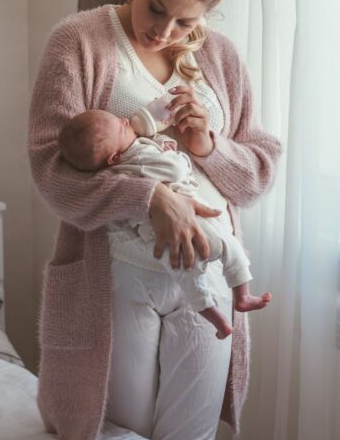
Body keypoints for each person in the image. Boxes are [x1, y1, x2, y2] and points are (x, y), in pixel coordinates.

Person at [28, 0, 281, 440]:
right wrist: (149, 198)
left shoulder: (222, 58)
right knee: (126, 439)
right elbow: (51, 171)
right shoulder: (79, 42)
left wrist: (209, 147)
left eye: (186, 23)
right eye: (156, 8)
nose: (164, 32)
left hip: (206, 275)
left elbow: (258, 172)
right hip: (117, 278)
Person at [57, 108, 272, 339]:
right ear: (114, 157)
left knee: (190, 279)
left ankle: (214, 317)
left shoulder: (119, 168)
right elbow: (175, 169)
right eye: (121, 126)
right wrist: (177, 155)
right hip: (195, 226)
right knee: (230, 248)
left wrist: (166, 144)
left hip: (160, 241)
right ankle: (243, 295)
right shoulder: (137, 156)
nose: (125, 119)